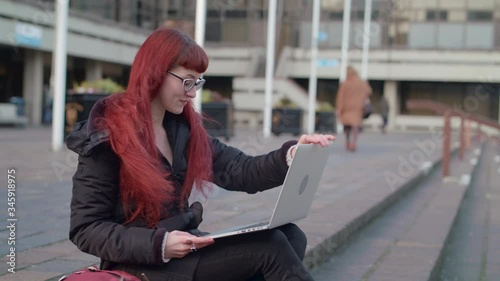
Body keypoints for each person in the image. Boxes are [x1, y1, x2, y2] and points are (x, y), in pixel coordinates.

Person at [66, 27, 335, 281]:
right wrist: (160, 244)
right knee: (270, 247)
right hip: (141, 262)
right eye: (186, 81)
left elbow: (240, 170)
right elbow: (86, 229)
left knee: (290, 236)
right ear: (155, 73)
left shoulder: (182, 130)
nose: (192, 93)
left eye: (197, 82)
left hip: (182, 248)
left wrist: (292, 156)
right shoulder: (108, 137)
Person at [335, 66, 372, 152]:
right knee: (355, 126)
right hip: (358, 108)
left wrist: (339, 109)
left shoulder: (345, 83)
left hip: (346, 109)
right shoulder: (362, 83)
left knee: (347, 126)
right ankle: (353, 142)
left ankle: (347, 141)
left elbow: (340, 97)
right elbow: (369, 91)